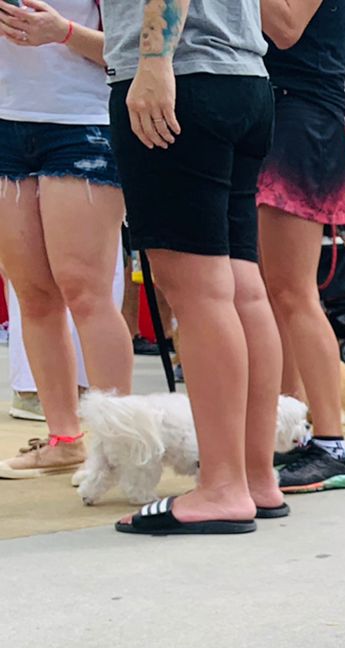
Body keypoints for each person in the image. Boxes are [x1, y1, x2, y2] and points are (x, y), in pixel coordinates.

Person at [101, 0, 284, 532]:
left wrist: (154, 59)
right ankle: (254, 478)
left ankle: (223, 486)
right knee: (241, 286)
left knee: (198, 290)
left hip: (183, 74)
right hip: (244, 77)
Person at [0, 0, 134, 481]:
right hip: (6, 124)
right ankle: (63, 438)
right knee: (32, 294)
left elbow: (137, 48)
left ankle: (122, 444)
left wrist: (62, 32)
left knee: (86, 291)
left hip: (84, 124)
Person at [253, 0, 345, 496]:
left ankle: (332, 444)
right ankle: (293, 433)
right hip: (274, 110)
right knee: (273, 292)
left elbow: (284, 26)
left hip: (300, 116)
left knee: (292, 292)